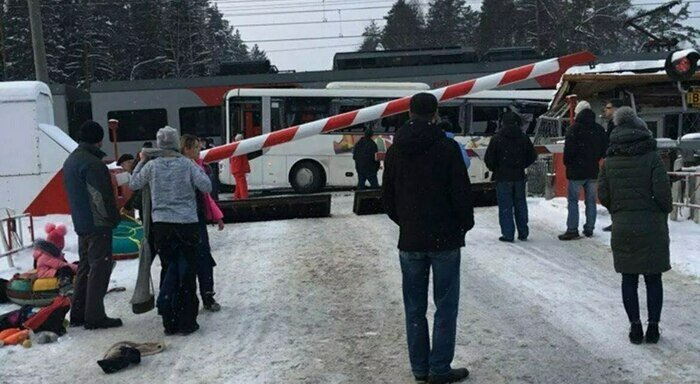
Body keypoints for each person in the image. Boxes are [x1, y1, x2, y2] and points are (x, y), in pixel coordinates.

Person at [382, 92, 474, 384]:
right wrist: (462, 226)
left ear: (409, 113)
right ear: (435, 114)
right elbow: (461, 194)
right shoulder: (447, 148)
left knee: (414, 307)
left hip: (410, 240)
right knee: (445, 306)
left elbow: (388, 198)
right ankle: (439, 367)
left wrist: (407, 222)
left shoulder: (396, 151)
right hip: (445, 239)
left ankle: (419, 367)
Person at [598, 106, 672, 344]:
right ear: (641, 128)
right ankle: (653, 327)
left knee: (628, 278)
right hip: (652, 226)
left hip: (624, 225)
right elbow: (663, 194)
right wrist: (661, 211)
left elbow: (604, 194)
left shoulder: (609, 161)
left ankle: (635, 327)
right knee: (653, 278)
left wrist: (618, 211)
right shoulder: (652, 157)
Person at [129, 126, 212, 335]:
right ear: (176, 144)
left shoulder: (152, 166)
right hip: (187, 226)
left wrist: (142, 160)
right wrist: (193, 167)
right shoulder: (187, 164)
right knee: (187, 272)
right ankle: (187, 322)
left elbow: (133, 183)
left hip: (162, 227)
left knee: (169, 269)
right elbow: (206, 186)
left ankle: (169, 319)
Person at [63, 120, 122, 329]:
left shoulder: (71, 161)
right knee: (100, 267)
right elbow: (99, 197)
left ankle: (78, 313)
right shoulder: (94, 164)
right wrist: (113, 218)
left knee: (85, 267)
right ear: (99, 139)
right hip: (98, 224)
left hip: (81, 222)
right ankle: (95, 316)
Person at [181, 135, 225, 312]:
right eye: (197, 148)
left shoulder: (199, 166)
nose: (200, 152)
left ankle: (205, 295)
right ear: (187, 149)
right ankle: (202, 296)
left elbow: (206, 197)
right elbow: (206, 192)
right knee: (200, 258)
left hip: (190, 220)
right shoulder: (193, 168)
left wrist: (217, 215)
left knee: (200, 258)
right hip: (191, 220)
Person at [484, 111, 538, 242]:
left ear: (503, 123)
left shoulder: (497, 138)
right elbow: (532, 156)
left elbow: (488, 159)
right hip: (519, 176)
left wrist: (496, 168)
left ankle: (508, 234)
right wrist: (522, 165)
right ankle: (523, 232)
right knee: (520, 205)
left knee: (505, 207)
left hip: (502, 177)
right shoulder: (523, 138)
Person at [559, 101, 608, 240]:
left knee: (573, 201)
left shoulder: (574, 129)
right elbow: (604, 150)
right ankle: (589, 228)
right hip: (592, 170)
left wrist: (568, 163)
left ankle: (572, 229)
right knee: (591, 201)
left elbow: (568, 151)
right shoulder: (599, 129)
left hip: (576, 171)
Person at [601, 99, 624, 232]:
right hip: (614, 162)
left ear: (616, 109)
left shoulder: (618, 126)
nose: (606, 110)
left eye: (608, 108)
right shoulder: (611, 124)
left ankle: (618, 221)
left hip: (619, 163)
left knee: (618, 195)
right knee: (614, 194)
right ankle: (616, 220)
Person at [33, 223, 77, 292]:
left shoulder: (53, 253)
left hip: (51, 268)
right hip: (45, 272)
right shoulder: (46, 255)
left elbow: (63, 262)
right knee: (66, 269)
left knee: (73, 265)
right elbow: (59, 264)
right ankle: (65, 285)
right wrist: (77, 268)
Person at [229, 134, 251, 200]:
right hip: (239, 169)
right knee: (242, 185)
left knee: (239, 186)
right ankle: (244, 199)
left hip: (236, 169)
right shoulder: (239, 147)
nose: (243, 140)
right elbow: (243, 159)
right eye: (242, 138)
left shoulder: (234, 146)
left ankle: (236, 198)